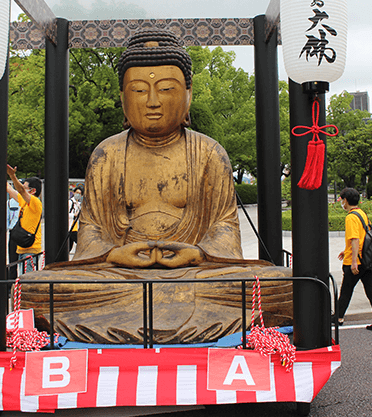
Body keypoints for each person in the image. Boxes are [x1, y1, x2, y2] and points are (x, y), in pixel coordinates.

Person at [19, 29, 291, 344]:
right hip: (120, 274)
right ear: (122, 97)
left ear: (188, 95)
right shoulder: (106, 154)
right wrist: (116, 255)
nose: (152, 102)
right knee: (34, 286)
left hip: (195, 273)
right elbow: (91, 231)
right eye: (138, 90)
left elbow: (224, 228)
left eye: (165, 89)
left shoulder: (209, 153)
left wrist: (198, 253)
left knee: (280, 282)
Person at [336, 187, 372, 331]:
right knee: (371, 290)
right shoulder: (361, 213)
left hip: (356, 262)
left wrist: (352, 261)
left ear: (345, 200)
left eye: (342, 200)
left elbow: (355, 239)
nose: (342, 203)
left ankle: (338, 318)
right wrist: (346, 251)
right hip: (366, 260)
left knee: (346, 290)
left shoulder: (351, 217)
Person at [6, 169, 43, 274]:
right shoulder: (24, 201)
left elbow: (20, 191)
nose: (22, 189)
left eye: (25, 187)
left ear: (33, 191)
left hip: (31, 249)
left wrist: (12, 176)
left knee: (27, 282)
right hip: (22, 248)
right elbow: (9, 189)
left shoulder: (35, 202)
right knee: (23, 280)